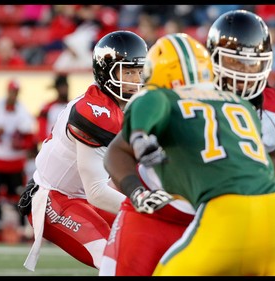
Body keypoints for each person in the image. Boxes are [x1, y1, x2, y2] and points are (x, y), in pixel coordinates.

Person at [103, 29, 275, 276]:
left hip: (222, 212)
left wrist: (139, 136)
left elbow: (152, 102)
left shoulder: (160, 97)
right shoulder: (241, 105)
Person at [17, 30, 148, 272]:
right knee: (116, 260)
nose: (135, 79)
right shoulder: (95, 113)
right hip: (54, 197)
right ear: (106, 72)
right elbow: (97, 192)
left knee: (149, 246)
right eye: (128, 71)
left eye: (139, 71)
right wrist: (146, 205)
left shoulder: (126, 108)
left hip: (82, 195)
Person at [99, 33, 204, 276]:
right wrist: (136, 191)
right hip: (149, 216)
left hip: (203, 221)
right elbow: (116, 152)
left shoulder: (227, 106)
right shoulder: (152, 100)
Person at [205, 9, 275, 179]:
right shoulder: (194, 99)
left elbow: (274, 169)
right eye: (234, 61)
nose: (244, 71)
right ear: (213, 59)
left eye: (252, 63)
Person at [0, 79, 35, 241]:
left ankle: (22, 228)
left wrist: (20, 143)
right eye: (12, 91)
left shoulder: (22, 111)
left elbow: (30, 139)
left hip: (14, 162)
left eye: (16, 92)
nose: (13, 95)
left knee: (17, 195)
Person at [36, 73, 70, 144]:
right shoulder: (47, 108)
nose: (65, 89)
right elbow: (41, 130)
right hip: (51, 145)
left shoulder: (72, 106)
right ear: (57, 88)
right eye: (62, 86)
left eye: (66, 86)